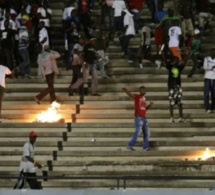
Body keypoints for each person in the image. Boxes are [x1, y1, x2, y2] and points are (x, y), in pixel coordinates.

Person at [122, 86, 153, 151]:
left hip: (143, 117)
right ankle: (130, 145)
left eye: (145, 90)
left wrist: (149, 105)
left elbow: (144, 109)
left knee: (147, 132)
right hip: (138, 117)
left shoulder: (144, 99)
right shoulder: (137, 96)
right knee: (138, 131)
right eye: (143, 90)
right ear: (140, 91)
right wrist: (126, 90)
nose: (144, 91)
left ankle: (146, 147)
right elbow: (130, 95)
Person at [164, 56, 186, 123]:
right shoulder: (170, 67)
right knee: (171, 103)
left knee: (180, 103)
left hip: (178, 87)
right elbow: (165, 62)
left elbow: (184, 63)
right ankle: (171, 118)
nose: (176, 61)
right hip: (171, 87)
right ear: (172, 61)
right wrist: (162, 54)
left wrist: (186, 56)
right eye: (174, 60)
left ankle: (180, 118)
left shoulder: (179, 68)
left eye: (177, 60)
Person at [203, 48, 215, 113]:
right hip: (207, 78)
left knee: (214, 94)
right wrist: (212, 67)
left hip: (214, 78)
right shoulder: (206, 59)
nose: (213, 53)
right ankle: (207, 108)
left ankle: (213, 107)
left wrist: (210, 67)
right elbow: (205, 67)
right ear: (210, 52)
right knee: (206, 94)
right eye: (212, 51)